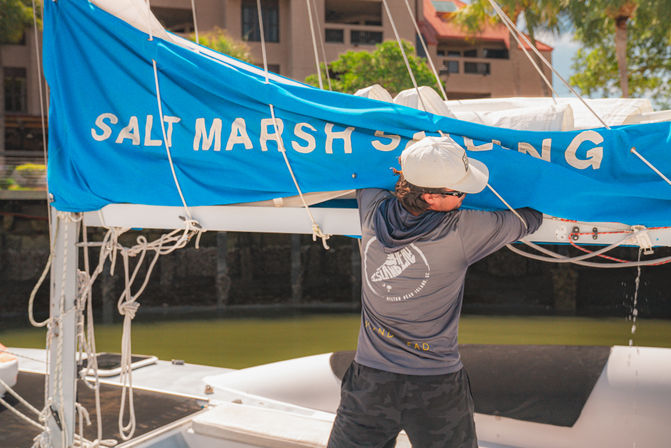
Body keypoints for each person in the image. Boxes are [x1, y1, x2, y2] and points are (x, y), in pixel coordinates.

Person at [327, 136, 543, 448]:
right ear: (431, 198)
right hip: (436, 389)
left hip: (369, 385)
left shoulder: (371, 209)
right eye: (458, 192)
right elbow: (529, 218)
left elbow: (365, 166)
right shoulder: (463, 230)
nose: (465, 197)